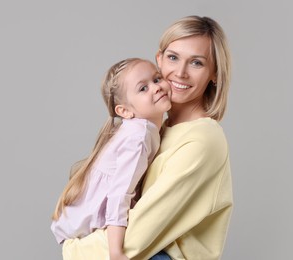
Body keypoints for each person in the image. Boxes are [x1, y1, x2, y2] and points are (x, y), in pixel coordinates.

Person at [61, 15, 233, 260]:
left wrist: (73, 249)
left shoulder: (202, 140)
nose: (180, 73)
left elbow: (140, 233)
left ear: (214, 73)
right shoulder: (155, 130)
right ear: (159, 60)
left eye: (196, 63)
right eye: (173, 58)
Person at [51, 58, 172, 260]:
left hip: (89, 227)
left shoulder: (145, 129)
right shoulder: (138, 136)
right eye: (143, 88)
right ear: (125, 111)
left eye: (157, 79)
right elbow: (120, 193)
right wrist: (115, 251)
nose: (156, 88)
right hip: (85, 232)